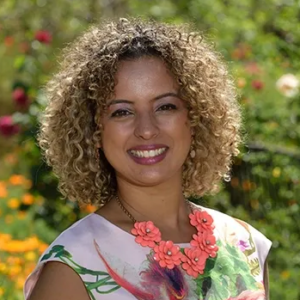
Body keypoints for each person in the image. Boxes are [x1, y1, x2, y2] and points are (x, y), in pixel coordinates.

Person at [24, 18, 271, 300]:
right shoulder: (73, 266)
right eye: (122, 112)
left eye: (165, 107)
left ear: (195, 117)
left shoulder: (247, 246)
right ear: (93, 130)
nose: (146, 129)